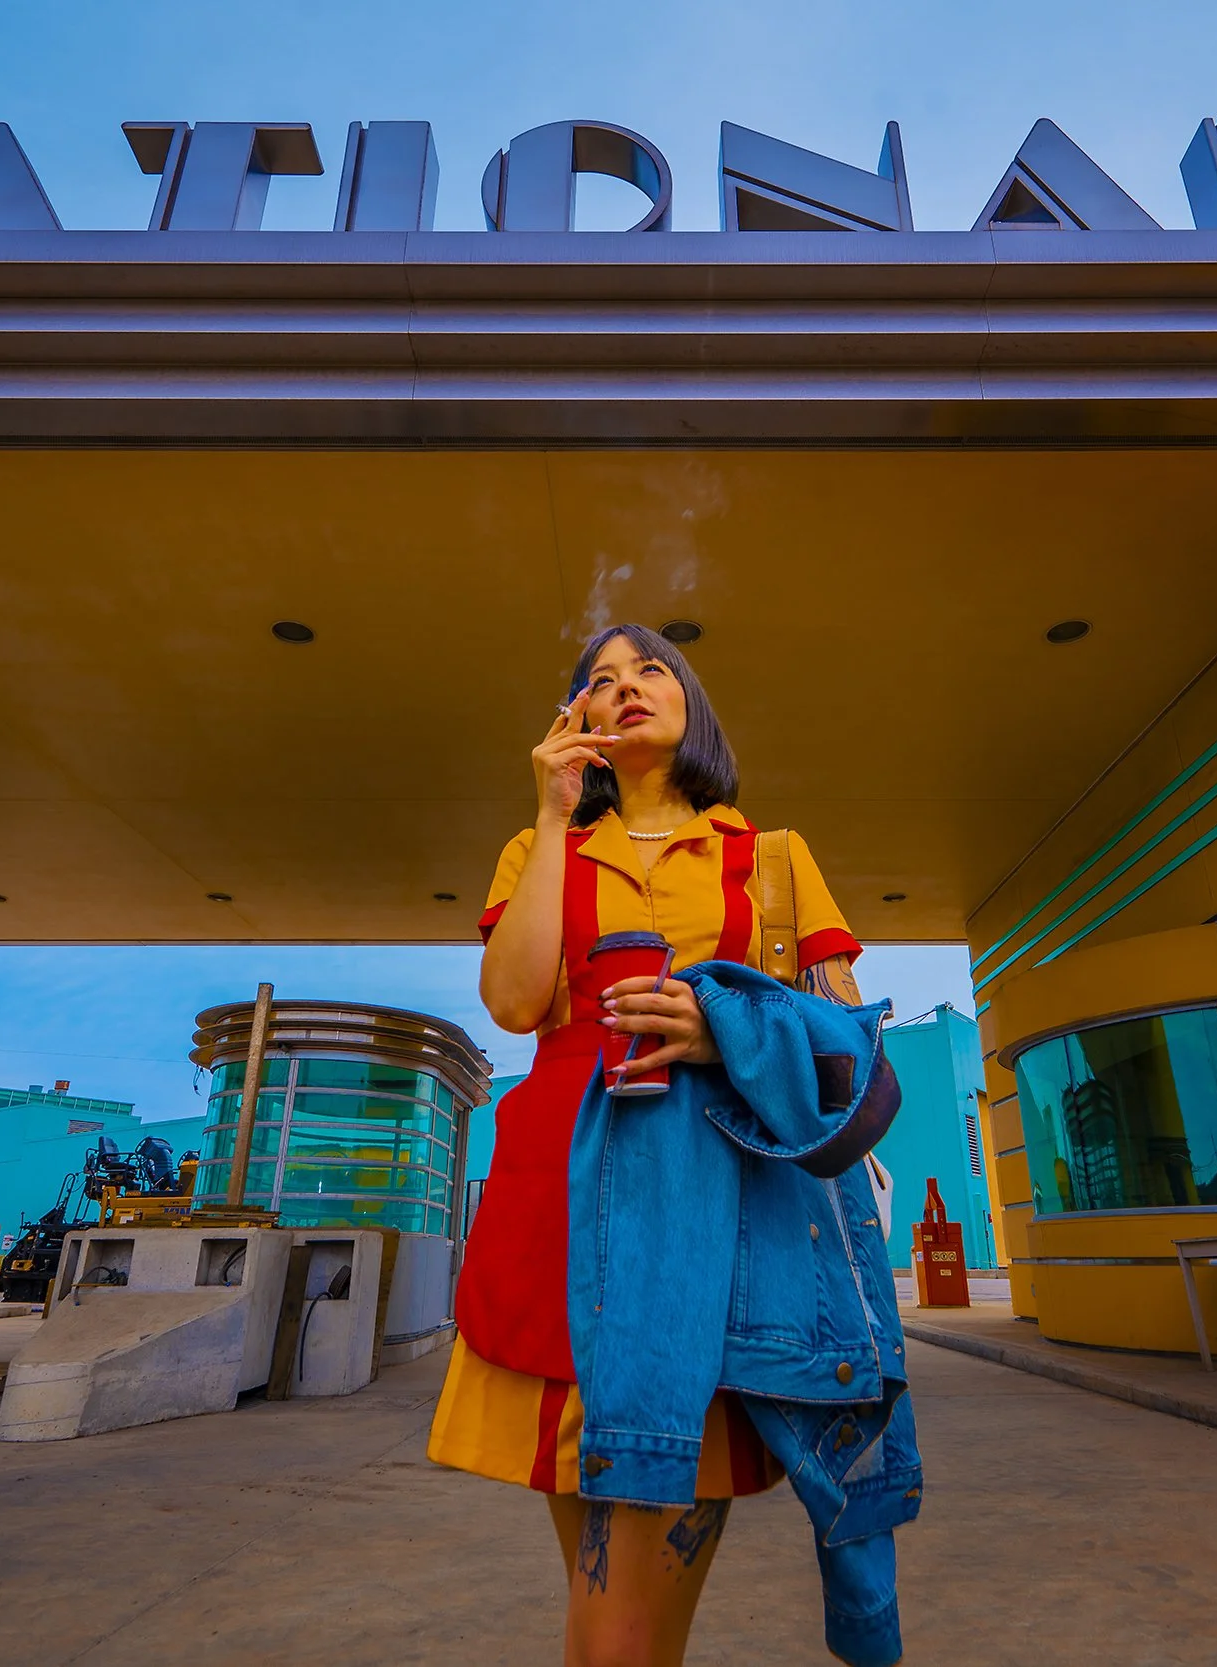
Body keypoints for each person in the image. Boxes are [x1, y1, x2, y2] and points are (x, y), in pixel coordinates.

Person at [429, 622, 869, 1667]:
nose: (626, 687)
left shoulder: (769, 857)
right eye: (600, 680)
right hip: (554, 1203)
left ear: (689, 700)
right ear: (573, 719)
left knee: (619, 1631)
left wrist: (727, 1032)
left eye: (650, 669)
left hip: (709, 1209)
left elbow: (844, 1042)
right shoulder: (538, 848)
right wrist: (551, 814)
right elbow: (514, 1002)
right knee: (606, 1602)